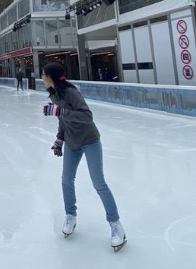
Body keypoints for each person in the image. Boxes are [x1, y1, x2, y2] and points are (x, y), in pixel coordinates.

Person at [40, 62, 125, 251]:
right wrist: (59, 140)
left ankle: (115, 225)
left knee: (99, 183)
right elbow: (63, 120)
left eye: (44, 74)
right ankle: (70, 215)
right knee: (66, 180)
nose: (41, 77)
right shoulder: (54, 95)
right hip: (72, 143)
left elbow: (87, 116)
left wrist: (60, 111)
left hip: (89, 141)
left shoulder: (71, 92)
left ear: (52, 76)